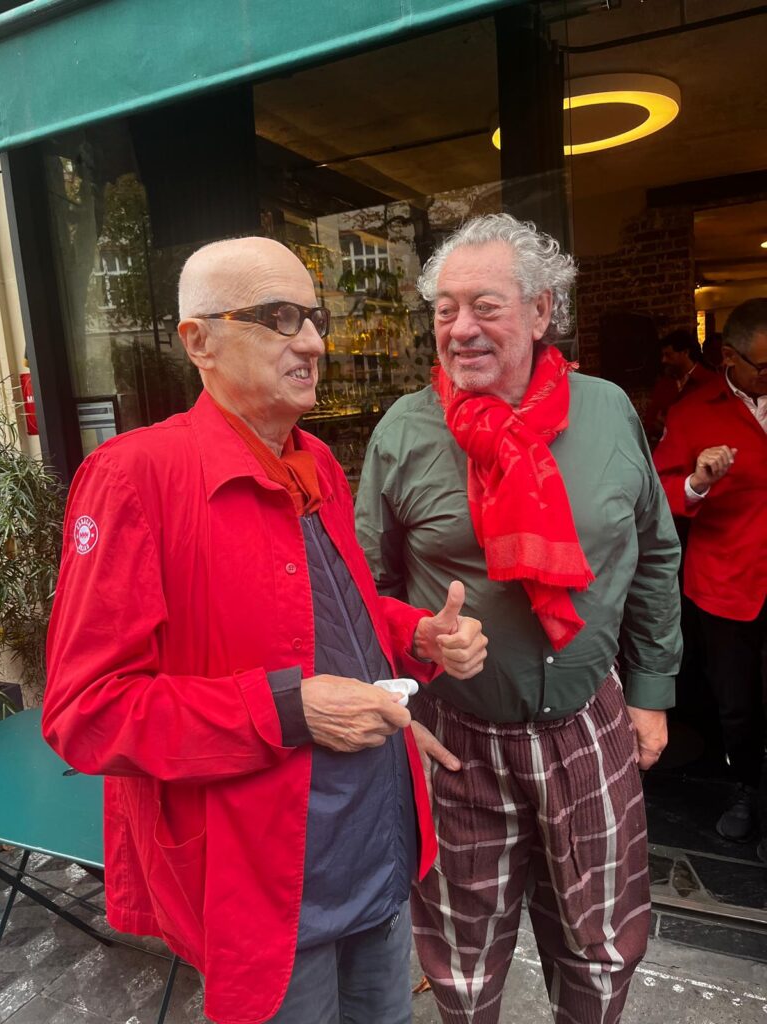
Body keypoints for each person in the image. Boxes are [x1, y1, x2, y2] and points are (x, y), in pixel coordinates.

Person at [42, 237, 489, 1024]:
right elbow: (87, 713)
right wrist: (287, 709)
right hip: (268, 882)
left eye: (313, 318)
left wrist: (417, 634)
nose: (313, 342)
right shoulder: (135, 477)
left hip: (377, 844)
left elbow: (332, 616)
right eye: (279, 318)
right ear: (199, 342)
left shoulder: (315, 462)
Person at [355, 213, 682, 1024]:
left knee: (604, 946)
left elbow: (653, 552)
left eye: (486, 307)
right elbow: (362, 589)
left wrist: (651, 690)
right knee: (461, 960)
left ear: (540, 312)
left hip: (590, 724)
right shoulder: (404, 431)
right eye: (445, 310)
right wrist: (406, 675)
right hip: (456, 737)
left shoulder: (607, 412)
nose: (461, 329)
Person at [654, 298, 767, 853]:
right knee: (737, 704)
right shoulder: (693, 412)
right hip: (726, 583)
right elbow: (656, 492)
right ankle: (746, 788)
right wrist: (697, 483)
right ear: (730, 358)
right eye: (763, 367)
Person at [642, 329, 716, 447]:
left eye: (668, 355)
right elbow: (650, 421)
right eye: (663, 355)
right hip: (669, 449)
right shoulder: (664, 384)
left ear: (685, 352)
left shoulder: (710, 382)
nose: (663, 360)